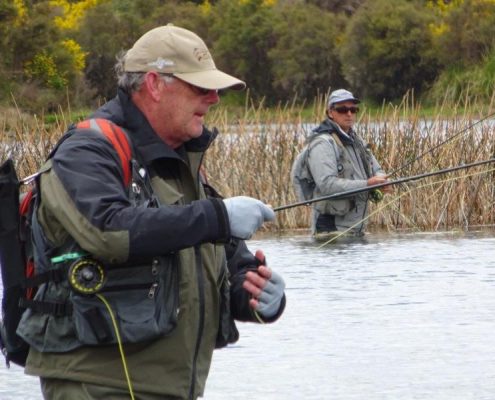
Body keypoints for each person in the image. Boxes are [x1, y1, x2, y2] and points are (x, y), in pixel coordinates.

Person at [17, 24, 286, 400]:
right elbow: (110, 231)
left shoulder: (181, 160)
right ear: (155, 85)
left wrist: (254, 293)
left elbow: (220, 258)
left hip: (170, 388)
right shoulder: (87, 150)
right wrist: (218, 217)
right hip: (98, 387)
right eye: (200, 87)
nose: (214, 99)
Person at [304, 88, 390, 238]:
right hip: (331, 232)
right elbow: (327, 185)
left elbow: (377, 169)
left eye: (353, 109)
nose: (349, 113)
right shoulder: (322, 144)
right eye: (343, 109)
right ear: (330, 112)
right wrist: (367, 184)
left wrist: (382, 181)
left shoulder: (357, 140)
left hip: (354, 231)